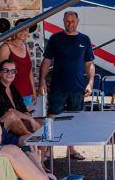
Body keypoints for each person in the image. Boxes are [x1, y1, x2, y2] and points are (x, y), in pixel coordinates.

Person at [39, 11, 95, 160]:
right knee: (51, 118)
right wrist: (42, 81)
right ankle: (48, 150)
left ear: (78, 21)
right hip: (57, 86)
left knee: (74, 119)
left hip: (78, 87)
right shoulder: (55, 38)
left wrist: (90, 83)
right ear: (63, 21)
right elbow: (46, 61)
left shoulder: (85, 39)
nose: (70, 23)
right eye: (67, 21)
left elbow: (89, 63)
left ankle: (71, 149)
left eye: (72, 21)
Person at [0, 59, 42, 136]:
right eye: (6, 70)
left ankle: (36, 144)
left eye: (13, 71)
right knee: (12, 116)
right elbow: (9, 111)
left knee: (41, 123)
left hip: (15, 124)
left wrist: (32, 120)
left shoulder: (13, 88)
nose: (10, 73)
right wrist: (30, 119)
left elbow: (23, 109)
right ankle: (29, 138)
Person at [0, 20, 37, 110]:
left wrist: (33, 92)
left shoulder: (26, 47)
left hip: (27, 93)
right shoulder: (6, 47)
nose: (23, 32)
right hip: (12, 94)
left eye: (26, 29)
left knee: (27, 121)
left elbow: (29, 71)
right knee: (16, 122)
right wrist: (6, 94)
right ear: (15, 30)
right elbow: (1, 73)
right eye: (20, 29)